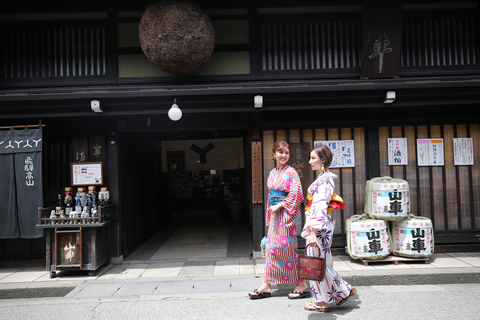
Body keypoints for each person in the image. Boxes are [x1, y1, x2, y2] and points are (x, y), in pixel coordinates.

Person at [249, 141, 309, 300]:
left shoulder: (291, 172)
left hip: (286, 217)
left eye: (287, 153)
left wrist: (280, 205)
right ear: (273, 154)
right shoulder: (272, 172)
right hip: (276, 217)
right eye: (280, 152)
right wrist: (271, 211)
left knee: (287, 250)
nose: (284, 155)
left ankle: (301, 283)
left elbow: (297, 195)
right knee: (271, 250)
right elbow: (271, 195)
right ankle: (267, 284)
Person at [301, 144, 356, 312]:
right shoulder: (324, 178)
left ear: (322, 160)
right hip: (323, 226)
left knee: (315, 263)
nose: (310, 161)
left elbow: (319, 206)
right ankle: (342, 292)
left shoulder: (325, 180)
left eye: (313, 158)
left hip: (318, 227)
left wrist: (312, 233)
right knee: (323, 262)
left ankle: (321, 302)